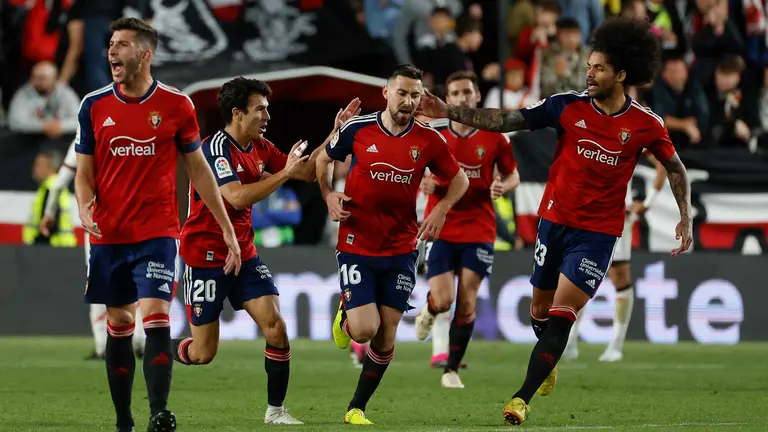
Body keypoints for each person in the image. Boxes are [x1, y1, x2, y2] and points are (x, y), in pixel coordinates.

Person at [416, 17, 692, 425]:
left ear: (621, 74)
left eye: (598, 68)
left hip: (598, 235)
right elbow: (508, 122)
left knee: (563, 311)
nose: (590, 73)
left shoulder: (645, 124)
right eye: (589, 67)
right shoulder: (567, 106)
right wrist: (450, 111)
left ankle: (520, 399)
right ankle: (549, 357)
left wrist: (685, 215)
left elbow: (676, 168)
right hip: (554, 222)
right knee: (540, 313)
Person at [74, 18, 241, 432]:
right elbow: (83, 172)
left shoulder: (175, 105)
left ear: (145, 55)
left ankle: (158, 413)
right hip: (110, 236)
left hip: (159, 234)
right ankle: (124, 420)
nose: (113, 51)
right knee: (119, 324)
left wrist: (226, 225)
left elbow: (199, 170)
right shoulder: (93, 105)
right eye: (111, 44)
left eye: (123, 45)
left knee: (156, 317)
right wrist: (83, 206)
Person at [170, 76, 360, 425]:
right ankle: (162, 348)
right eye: (261, 109)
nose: (267, 116)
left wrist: (336, 134)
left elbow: (302, 171)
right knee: (202, 353)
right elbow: (236, 196)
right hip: (205, 255)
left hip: (244, 253)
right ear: (238, 113)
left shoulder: (259, 147)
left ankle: (275, 411)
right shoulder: (215, 149)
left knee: (275, 326)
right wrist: (283, 174)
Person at [316, 64, 469, 425]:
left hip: (402, 245)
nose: (409, 100)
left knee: (386, 335)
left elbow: (459, 180)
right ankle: (346, 315)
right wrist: (327, 195)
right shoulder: (358, 128)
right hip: (356, 240)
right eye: (402, 92)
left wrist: (443, 209)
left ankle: (356, 407)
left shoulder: (430, 139)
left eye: (415, 95)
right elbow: (323, 159)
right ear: (386, 92)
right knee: (365, 329)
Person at [414, 70, 520, 389]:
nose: (462, 98)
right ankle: (431, 310)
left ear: (476, 97)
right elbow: (412, 169)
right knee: (444, 299)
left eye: (467, 93)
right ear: (447, 100)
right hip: (441, 224)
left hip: (479, 227)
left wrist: (504, 186)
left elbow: (514, 175)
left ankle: (451, 369)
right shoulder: (434, 136)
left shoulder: (495, 137)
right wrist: (424, 182)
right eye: (456, 93)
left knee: (467, 301)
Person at [40, 139, 147, 361]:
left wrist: (49, 213)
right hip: (137, 219)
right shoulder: (130, 134)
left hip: (100, 223)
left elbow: (59, 184)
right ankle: (140, 340)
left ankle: (102, 346)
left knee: (99, 281)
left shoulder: (82, 139)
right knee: (138, 277)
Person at [563, 155, 667, 362]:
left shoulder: (629, 129)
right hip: (586, 210)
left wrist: (649, 201)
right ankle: (570, 340)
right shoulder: (588, 128)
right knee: (579, 272)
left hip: (617, 213)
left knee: (619, 275)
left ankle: (617, 344)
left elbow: (662, 161)